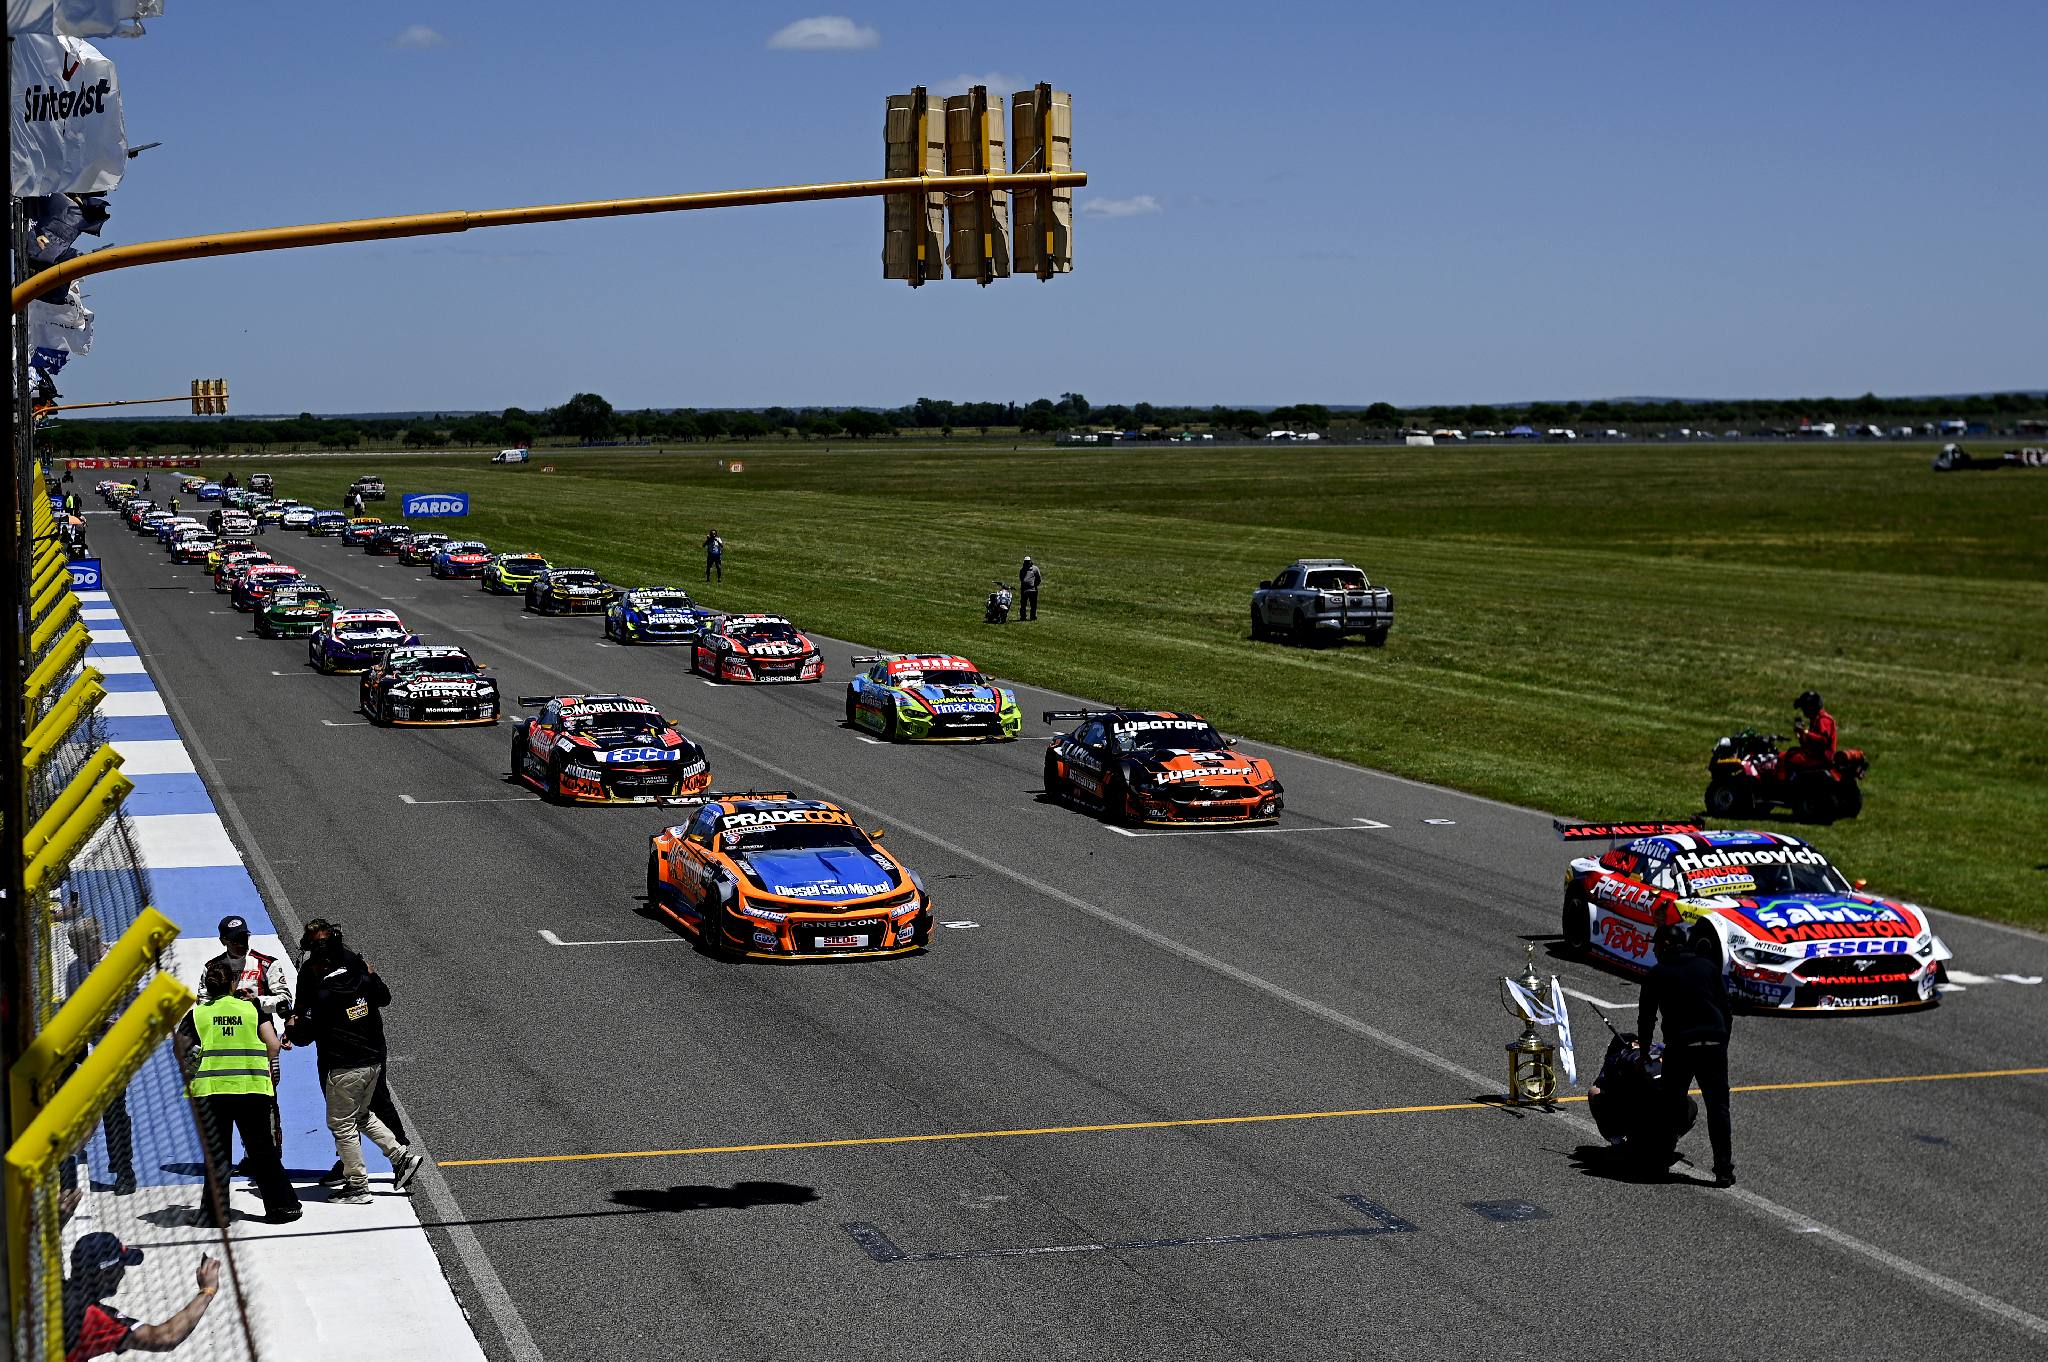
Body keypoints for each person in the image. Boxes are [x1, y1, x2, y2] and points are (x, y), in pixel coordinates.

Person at [285, 919, 423, 1203]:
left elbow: (304, 1030)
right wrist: (370, 979)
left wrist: (293, 1026)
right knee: (361, 1113)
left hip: (342, 1059)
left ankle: (358, 1183)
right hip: (370, 1054)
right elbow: (382, 996)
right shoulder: (358, 971)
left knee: (345, 1120)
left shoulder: (321, 988)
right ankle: (398, 1157)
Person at [175, 959, 301, 1225]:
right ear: (233, 983)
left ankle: (214, 1213)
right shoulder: (252, 1009)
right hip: (250, 1089)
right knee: (262, 1150)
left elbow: (180, 1049)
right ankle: (282, 1207)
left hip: (211, 1091)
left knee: (216, 1154)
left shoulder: (197, 1015)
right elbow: (273, 1046)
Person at [1638, 922, 1735, 1186]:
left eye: (1656, 946)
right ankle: (1724, 1170)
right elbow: (1726, 1010)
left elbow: (1647, 1017)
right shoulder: (1708, 967)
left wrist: (1644, 1052)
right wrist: (1721, 1041)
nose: (1654, 951)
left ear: (1667, 945)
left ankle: (1660, 1162)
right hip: (1713, 1044)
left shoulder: (1657, 973)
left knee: (1669, 1104)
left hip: (1681, 1046)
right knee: (1718, 1108)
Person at [206, 915, 291, 1166]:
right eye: (235, 940)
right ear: (223, 940)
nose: (241, 943)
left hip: (261, 1044)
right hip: (227, 1045)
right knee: (232, 1100)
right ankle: (249, 1153)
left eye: (244, 938)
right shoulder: (213, 967)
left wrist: (257, 1002)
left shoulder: (267, 964)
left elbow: (285, 999)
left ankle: (270, 1154)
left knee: (266, 1098)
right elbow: (202, 1002)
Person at [59, 918, 136, 1196]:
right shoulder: (74, 970)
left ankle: (124, 1170)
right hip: (87, 1046)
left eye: (78, 946)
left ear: (93, 941)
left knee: (114, 1108)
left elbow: (136, 1004)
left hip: (116, 1046)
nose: (75, 951)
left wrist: (116, 1023)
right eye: (73, 946)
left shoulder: (120, 965)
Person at [63, 1234, 220, 1361]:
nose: (123, 1273)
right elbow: (167, 1337)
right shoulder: (95, 1317)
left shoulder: (58, 1288)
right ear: (106, 1273)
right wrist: (207, 1290)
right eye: (120, 1267)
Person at [1782, 689, 1837, 775]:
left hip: (1822, 759)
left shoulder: (1823, 719)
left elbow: (1823, 740)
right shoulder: (1815, 719)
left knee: (1791, 760)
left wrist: (1806, 732)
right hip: (1814, 756)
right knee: (1789, 753)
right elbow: (1807, 745)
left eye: (1804, 708)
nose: (1803, 711)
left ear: (1811, 707)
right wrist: (1800, 735)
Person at [1018, 556, 1042, 621]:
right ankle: (1023, 617)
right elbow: (1021, 578)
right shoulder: (1022, 569)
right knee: (1023, 604)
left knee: (1033, 605)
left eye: (1028, 561)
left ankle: (1033, 617)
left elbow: (1038, 578)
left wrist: (1035, 585)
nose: (1027, 563)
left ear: (1030, 561)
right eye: (1026, 561)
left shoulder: (1035, 569)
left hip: (1033, 590)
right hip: (1024, 590)